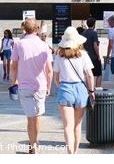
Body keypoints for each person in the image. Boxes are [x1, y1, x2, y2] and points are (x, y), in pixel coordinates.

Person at [10, 18, 53, 154]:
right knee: (37, 116)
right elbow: (49, 70)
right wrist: (49, 86)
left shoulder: (19, 44)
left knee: (30, 117)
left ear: (24, 29)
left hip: (24, 85)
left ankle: (32, 144)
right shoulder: (44, 45)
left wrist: (13, 81)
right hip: (40, 85)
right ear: (37, 29)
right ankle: (34, 141)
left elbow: (14, 65)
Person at [54, 26, 95, 154]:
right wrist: (92, 91)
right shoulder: (83, 55)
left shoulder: (59, 56)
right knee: (77, 126)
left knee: (67, 126)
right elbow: (89, 75)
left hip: (65, 88)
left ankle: (70, 153)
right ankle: (76, 152)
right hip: (80, 90)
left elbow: (56, 76)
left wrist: (60, 86)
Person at [82, 17, 103, 87]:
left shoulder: (83, 33)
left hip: (86, 57)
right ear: (94, 25)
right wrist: (98, 56)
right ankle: (97, 90)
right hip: (94, 57)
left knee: (88, 74)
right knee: (98, 74)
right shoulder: (94, 33)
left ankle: (89, 90)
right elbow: (95, 46)